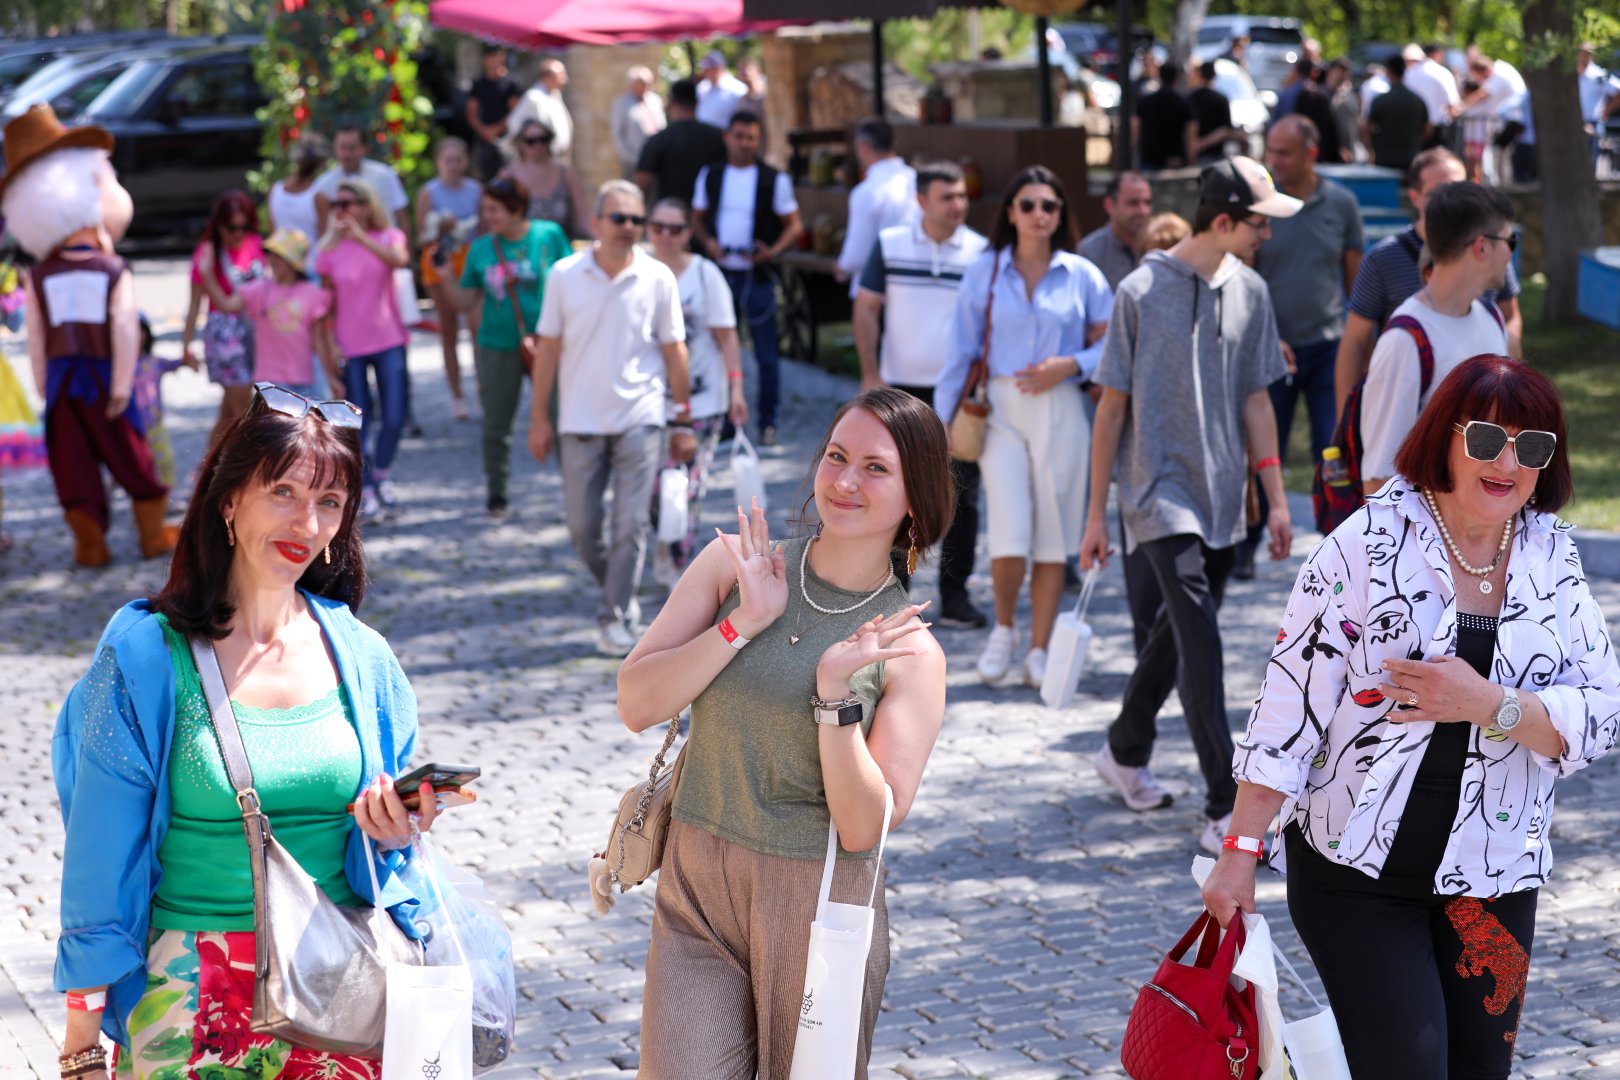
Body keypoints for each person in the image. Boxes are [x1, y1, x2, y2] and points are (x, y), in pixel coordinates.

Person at [1205, 356, 1620, 1080]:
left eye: (1533, 448)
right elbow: (1287, 711)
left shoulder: (1553, 557)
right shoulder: (1363, 548)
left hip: (1492, 874)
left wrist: (1489, 704)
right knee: (1409, 1067)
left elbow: (1603, 713)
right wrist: (1240, 851)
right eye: (1488, 440)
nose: (1508, 464)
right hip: (1357, 873)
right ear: (1445, 438)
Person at [51, 384, 450, 1078]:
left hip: (342, 993)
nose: (307, 521)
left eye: (330, 502)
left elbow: (389, 867)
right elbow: (99, 857)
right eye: (284, 493)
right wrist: (82, 1040)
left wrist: (391, 831)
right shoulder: (147, 654)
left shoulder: (364, 657)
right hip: (188, 999)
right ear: (228, 501)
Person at [618, 387, 950, 1080]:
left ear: (916, 498)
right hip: (696, 883)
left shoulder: (910, 651)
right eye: (836, 456)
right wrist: (742, 625)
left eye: (875, 468)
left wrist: (834, 700)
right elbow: (637, 701)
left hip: (817, 901)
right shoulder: (734, 568)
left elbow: (866, 828)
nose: (846, 480)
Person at [1080, 157, 1297, 853]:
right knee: (1201, 639)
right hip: (1155, 494)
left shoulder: (1254, 292)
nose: (1268, 233)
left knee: (1178, 633)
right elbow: (1111, 409)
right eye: (1260, 221)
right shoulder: (1139, 290)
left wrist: (1276, 499)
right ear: (1225, 220)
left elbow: (1259, 400)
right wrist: (1095, 516)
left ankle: (1124, 745)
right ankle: (1224, 805)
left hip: (1225, 497)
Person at [935, 166, 1112, 688]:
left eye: (1049, 206)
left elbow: (1112, 347)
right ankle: (1004, 630)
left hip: (1061, 402)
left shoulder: (1082, 274)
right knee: (1009, 524)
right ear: (1010, 212)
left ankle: (1039, 647)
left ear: (1061, 214)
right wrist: (941, 422)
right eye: (1028, 204)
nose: (1039, 214)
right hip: (1001, 407)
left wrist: (1071, 364)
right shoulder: (985, 269)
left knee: (1055, 532)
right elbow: (960, 349)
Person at [1, 103, 178, 569]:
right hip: (103, 378)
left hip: (63, 382)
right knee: (130, 455)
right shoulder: (113, 269)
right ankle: (151, 532)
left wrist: (44, 385)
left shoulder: (37, 276)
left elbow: (36, 339)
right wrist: (121, 385)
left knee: (73, 464)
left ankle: (90, 543)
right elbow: (124, 330)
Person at [527, 181, 694, 656]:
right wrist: (539, 417)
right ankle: (618, 593)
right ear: (595, 223)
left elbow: (673, 349)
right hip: (578, 419)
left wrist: (682, 418)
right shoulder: (564, 274)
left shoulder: (657, 277)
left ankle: (613, 615)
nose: (628, 228)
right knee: (582, 527)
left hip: (641, 417)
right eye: (618, 218)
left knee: (630, 525)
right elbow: (549, 349)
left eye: (636, 220)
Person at [854, 161, 990, 629]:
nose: (958, 204)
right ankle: (895, 595)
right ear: (921, 201)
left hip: (955, 391)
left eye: (962, 195)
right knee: (898, 493)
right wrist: (870, 373)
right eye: (947, 196)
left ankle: (956, 595)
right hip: (899, 388)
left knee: (963, 492)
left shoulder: (980, 251)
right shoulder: (890, 244)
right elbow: (866, 307)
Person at [1238, 116, 1362, 578]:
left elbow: (1356, 281)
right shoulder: (1265, 207)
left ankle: (1343, 554)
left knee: (1333, 454)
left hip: (1329, 348)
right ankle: (1245, 548)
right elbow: (1246, 277)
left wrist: (1355, 339)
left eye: (1283, 152)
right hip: (1273, 350)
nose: (1274, 161)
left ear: (1310, 154)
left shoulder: (1341, 205)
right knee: (1263, 449)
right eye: (1271, 150)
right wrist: (1266, 336)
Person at [1336, 148, 1523, 410]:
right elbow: (1354, 343)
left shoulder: (1493, 264)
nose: (1454, 198)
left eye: (1461, 186)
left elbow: (1510, 315)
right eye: (1441, 192)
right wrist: (1344, 429)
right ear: (1414, 198)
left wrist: (1503, 361)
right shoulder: (1385, 263)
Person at [1360, 181, 1513, 495]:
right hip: (1429, 538)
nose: (1511, 253)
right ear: (1482, 247)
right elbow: (1379, 480)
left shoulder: (1491, 317)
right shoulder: (1406, 340)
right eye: (1511, 241)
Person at [435, 177, 571, 520]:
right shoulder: (481, 248)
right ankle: (497, 495)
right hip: (496, 344)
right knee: (496, 424)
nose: (487, 216)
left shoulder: (549, 236)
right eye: (485, 209)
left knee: (562, 418)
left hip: (548, 344)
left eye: (494, 209)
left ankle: (575, 492)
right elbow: (466, 301)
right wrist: (446, 277)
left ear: (515, 208)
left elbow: (573, 282)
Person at [644, 197, 748, 585]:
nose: (666, 236)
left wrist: (736, 389)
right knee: (653, 488)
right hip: (649, 399)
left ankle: (677, 560)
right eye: (658, 227)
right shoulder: (638, 270)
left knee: (686, 486)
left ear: (688, 233)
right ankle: (664, 539)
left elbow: (728, 337)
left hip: (704, 399)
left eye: (675, 229)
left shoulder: (706, 275)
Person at [692, 111, 804, 446]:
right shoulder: (711, 174)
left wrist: (772, 251)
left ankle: (767, 422)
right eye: (739, 136)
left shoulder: (774, 179)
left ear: (758, 141)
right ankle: (725, 418)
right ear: (727, 137)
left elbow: (794, 225)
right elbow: (695, 218)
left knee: (767, 354)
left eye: (751, 138)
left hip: (757, 274)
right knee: (717, 348)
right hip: (721, 273)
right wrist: (709, 242)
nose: (744, 144)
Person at [314, 180, 410, 520]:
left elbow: (400, 260)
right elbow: (326, 307)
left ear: (367, 205)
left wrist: (361, 237)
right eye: (337, 205)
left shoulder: (387, 237)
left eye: (348, 203)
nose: (341, 211)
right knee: (356, 424)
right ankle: (366, 486)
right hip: (350, 346)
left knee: (396, 416)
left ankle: (381, 473)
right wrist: (329, 351)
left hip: (389, 339)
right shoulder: (328, 251)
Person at [182, 190, 267, 448]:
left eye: (244, 226)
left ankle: (206, 472)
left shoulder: (254, 244)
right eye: (232, 227)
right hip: (225, 337)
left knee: (229, 414)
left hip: (254, 332)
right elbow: (195, 304)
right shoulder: (207, 253)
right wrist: (186, 345)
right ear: (219, 226)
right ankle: (236, 477)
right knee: (244, 412)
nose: (238, 233)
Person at [415, 137, 482, 421]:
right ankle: (457, 395)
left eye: (458, 160)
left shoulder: (476, 190)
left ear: (464, 162)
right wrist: (439, 229)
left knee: (479, 328)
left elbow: (483, 229)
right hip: (440, 260)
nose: (453, 166)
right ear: (439, 163)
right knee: (448, 329)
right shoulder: (429, 193)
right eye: (448, 160)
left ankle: (483, 386)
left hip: (469, 258)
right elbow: (421, 236)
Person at [836, 118, 917, 299]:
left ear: (864, 147)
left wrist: (842, 266)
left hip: (876, 291)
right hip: (913, 283)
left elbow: (857, 253)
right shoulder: (915, 179)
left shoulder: (866, 192)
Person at [635, 78, 727, 205]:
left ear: (671, 102)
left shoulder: (659, 140)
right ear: (697, 103)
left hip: (669, 218)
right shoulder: (720, 137)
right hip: (709, 213)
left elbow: (643, 185)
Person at [132, 315, 197, 489]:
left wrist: (188, 359)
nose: (136, 335)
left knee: (164, 460)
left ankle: (167, 496)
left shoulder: (154, 362)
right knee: (132, 463)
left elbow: (178, 363)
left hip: (154, 425)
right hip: (129, 425)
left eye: (140, 330)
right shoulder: (118, 366)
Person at [501, 119, 592, 241]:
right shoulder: (509, 176)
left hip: (560, 245)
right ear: (520, 143)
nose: (537, 145)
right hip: (523, 247)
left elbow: (582, 215)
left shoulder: (565, 172)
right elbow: (498, 215)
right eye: (531, 141)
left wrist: (598, 238)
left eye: (542, 139)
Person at [313, 124, 410, 238]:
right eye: (342, 147)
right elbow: (320, 227)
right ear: (335, 148)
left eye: (352, 148)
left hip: (384, 249)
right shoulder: (324, 184)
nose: (347, 154)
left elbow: (402, 218)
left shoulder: (384, 175)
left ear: (365, 148)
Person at [1078, 171, 1152, 289]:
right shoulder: (1089, 253)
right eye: (1133, 203)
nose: (1143, 211)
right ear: (1110, 205)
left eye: (1147, 202)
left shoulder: (1161, 245)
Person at [267, 133, 329, 272]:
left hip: (282, 268)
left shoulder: (274, 191)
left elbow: (272, 234)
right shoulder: (319, 198)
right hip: (309, 270)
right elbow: (323, 243)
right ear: (320, 163)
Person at [1364, 53, 1431, 171]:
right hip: (1410, 157)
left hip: (1384, 159)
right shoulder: (1417, 100)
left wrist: (1370, 150)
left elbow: (1367, 128)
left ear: (1388, 72)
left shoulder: (1381, 100)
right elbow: (1427, 129)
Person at [466, 45, 521, 180]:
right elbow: (471, 112)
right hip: (485, 140)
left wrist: (497, 129)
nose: (494, 60)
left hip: (506, 138)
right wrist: (484, 131)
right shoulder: (478, 84)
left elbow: (515, 112)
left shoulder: (511, 83)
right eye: (490, 57)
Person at [505, 58, 573, 163]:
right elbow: (513, 124)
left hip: (556, 159)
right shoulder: (534, 98)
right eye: (561, 75)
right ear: (549, 77)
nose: (565, 79)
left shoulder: (554, 94)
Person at [1133, 61, 1196, 170]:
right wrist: (1191, 161)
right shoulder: (1184, 103)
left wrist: (1135, 152)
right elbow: (1190, 135)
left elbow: (1135, 130)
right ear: (1176, 79)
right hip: (1175, 159)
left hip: (1149, 158)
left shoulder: (1146, 101)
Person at [1402, 43, 1460, 148]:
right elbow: (1453, 104)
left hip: (1413, 126)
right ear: (1437, 54)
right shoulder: (1442, 73)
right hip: (1437, 129)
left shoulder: (1409, 73)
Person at [613, 66, 666, 179]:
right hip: (633, 160)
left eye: (648, 83)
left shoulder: (655, 100)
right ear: (632, 84)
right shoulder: (622, 104)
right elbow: (618, 133)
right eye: (642, 83)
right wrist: (630, 157)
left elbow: (662, 126)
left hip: (656, 158)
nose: (645, 86)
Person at [1188, 62, 1238, 164]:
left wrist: (1198, 145)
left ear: (1199, 74)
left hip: (1196, 154)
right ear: (1214, 76)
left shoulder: (1191, 98)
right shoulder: (1221, 98)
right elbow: (1226, 129)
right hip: (1215, 155)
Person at [695, 50, 748, 129]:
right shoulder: (702, 87)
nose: (704, 72)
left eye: (709, 68)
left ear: (719, 68)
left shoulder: (738, 88)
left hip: (726, 137)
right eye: (704, 68)